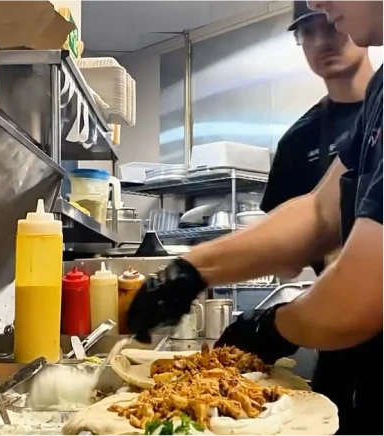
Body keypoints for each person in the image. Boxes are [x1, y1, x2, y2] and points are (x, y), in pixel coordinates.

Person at [126, 0, 384, 433]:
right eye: (307, 29)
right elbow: (318, 212)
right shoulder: (380, 95)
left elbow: (364, 294)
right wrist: (191, 270)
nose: (316, 4)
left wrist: (273, 327)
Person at [260, 0, 373, 432]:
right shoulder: (297, 141)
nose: (323, 39)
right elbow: (288, 248)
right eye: (308, 30)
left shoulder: (379, 108)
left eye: (329, 23)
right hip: (334, 339)